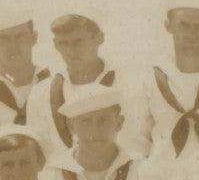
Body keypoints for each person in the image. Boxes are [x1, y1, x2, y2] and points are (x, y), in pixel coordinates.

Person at [133, 0, 199, 164]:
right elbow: (138, 140)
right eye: (183, 25)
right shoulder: (150, 78)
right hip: (163, 177)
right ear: (168, 26)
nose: (192, 32)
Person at [26, 13, 127, 157]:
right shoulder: (41, 92)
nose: (71, 51)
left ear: (99, 38)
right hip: (63, 177)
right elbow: (39, 148)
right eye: (63, 43)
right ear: (55, 45)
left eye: (78, 41)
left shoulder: (127, 84)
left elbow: (139, 140)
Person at [0, 6, 51, 128]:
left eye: (20, 37)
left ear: (34, 38)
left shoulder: (52, 83)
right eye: (4, 39)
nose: (13, 46)